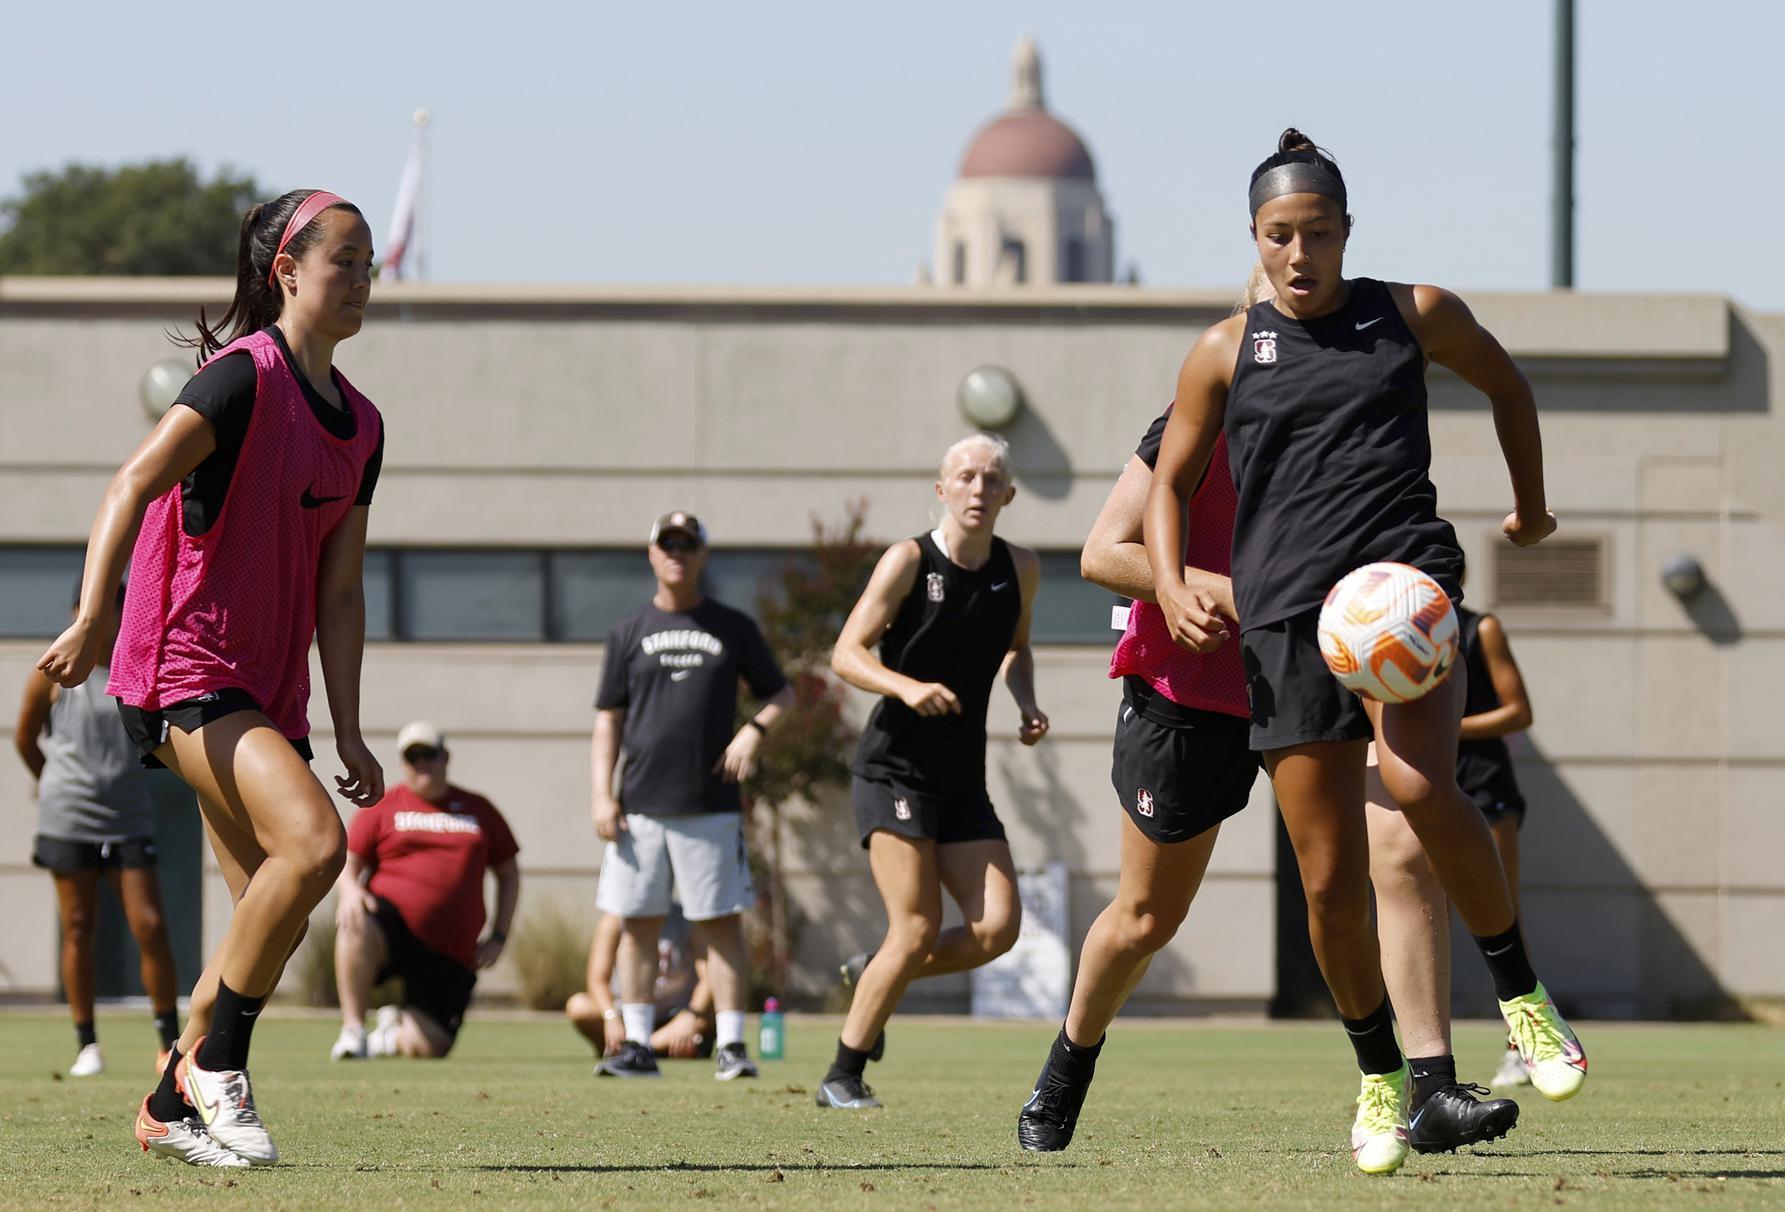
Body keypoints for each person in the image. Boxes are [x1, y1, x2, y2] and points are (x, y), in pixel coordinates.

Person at [1143, 130, 1585, 1174]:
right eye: (1280, 236)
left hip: (1406, 597)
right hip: (1288, 627)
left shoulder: (1414, 314)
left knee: (1423, 787)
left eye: (1320, 234)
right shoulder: (1222, 349)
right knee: (1331, 879)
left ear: (1349, 232)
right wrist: (1168, 583)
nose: (1301, 255)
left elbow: (1509, 388)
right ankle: (1381, 1076)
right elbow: (1167, 483)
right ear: (1254, 238)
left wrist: (1529, 510)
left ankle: (1522, 997)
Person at [1018, 387, 1516, 1158]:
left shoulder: (1348, 432)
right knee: (1147, 915)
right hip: (1192, 692)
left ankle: (1426, 1087)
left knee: (1397, 855)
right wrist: (1224, 594)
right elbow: (1101, 554)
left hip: (1321, 679)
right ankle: (1068, 1063)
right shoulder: (1194, 424)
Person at [38, 188, 385, 1169]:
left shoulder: (363, 426)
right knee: (317, 843)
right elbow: (131, 484)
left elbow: (344, 592)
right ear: (288, 270)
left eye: (369, 265)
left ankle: (167, 1100)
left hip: (267, 690)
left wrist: (350, 729)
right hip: (182, 667)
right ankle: (216, 1068)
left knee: (261, 926)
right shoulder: (239, 378)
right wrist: (94, 614)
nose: (361, 280)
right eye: (344, 262)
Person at [816, 434, 1048, 1111]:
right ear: (941, 489)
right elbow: (845, 653)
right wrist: (903, 686)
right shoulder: (907, 560)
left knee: (997, 928)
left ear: (1008, 494)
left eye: (992, 478)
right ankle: (842, 1073)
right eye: (965, 476)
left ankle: (873, 973)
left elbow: (1018, 648)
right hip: (893, 768)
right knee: (914, 927)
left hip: (961, 777)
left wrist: (1027, 701)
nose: (978, 488)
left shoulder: (1021, 569)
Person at [591, 510, 794, 1080]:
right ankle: (636, 1045)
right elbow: (608, 719)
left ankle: (730, 1044)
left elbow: (781, 694)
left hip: (711, 806)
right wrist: (601, 796)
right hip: (639, 807)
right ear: (652, 554)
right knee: (637, 922)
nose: (676, 552)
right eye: (667, 543)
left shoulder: (732, 626)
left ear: (702, 554)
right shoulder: (628, 631)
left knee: (720, 923)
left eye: (688, 544)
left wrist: (753, 731)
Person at [15, 582, 180, 1078]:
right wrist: (53, 785)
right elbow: (25, 739)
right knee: (79, 926)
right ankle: (87, 1044)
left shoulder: (141, 669)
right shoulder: (51, 672)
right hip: (67, 817)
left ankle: (169, 1041)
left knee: (149, 924)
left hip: (128, 817)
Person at [331, 722, 520, 1060]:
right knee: (354, 921)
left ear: (445, 757)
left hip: (449, 951)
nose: (422, 763)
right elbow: (350, 861)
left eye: (429, 754)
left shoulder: (479, 809)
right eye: (413, 756)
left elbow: (508, 873)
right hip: (391, 929)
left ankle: (389, 1035)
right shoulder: (383, 805)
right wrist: (348, 892)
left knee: (429, 1047)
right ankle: (353, 1032)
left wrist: (499, 936)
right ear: (404, 763)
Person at [1443, 571, 1537, 1089]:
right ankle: (1426, 1061)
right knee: (1422, 911)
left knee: (1502, 915)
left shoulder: (1482, 629)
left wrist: (1445, 726)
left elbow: (1519, 711)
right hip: (1425, 780)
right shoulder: (1388, 631)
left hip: (1483, 783)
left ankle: (1522, 1047)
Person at [566, 908, 717, 1060]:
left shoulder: (687, 919)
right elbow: (597, 979)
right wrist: (610, 1017)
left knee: (708, 1015)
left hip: (675, 1016)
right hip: (626, 1016)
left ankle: (634, 1049)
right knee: (579, 1006)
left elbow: (708, 977)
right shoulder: (613, 919)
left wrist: (689, 1016)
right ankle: (651, 1048)